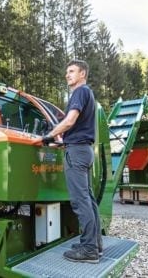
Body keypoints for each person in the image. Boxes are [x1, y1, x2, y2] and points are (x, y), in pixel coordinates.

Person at [34, 59, 102, 264]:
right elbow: (77, 128)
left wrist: (47, 137)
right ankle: (94, 245)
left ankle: (89, 249)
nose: (67, 74)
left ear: (83, 74)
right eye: (66, 71)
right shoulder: (88, 94)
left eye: (71, 71)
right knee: (88, 199)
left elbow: (70, 120)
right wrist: (61, 143)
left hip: (78, 153)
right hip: (83, 150)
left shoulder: (80, 92)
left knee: (80, 201)